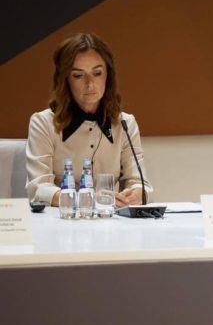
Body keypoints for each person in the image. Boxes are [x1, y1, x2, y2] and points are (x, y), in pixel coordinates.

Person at [26, 32, 152, 206]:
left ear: (108, 75)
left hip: (110, 219)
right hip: (62, 218)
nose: (89, 83)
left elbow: (140, 184)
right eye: (78, 75)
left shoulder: (126, 124)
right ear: (65, 79)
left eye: (97, 73)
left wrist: (136, 194)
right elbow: (37, 189)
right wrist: (86, 201)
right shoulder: (43, 123)